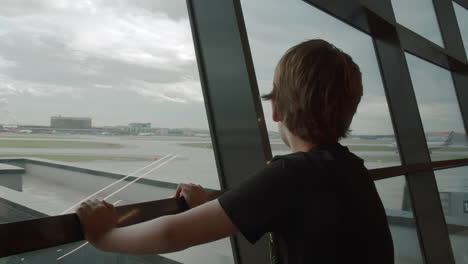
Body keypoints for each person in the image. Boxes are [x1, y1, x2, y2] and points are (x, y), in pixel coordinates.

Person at [77, 39, 394, 263]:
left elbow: (171, 234)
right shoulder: (349, 169)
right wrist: (201, 209)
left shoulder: (295, 174)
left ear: (277, 112)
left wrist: (103, 236)